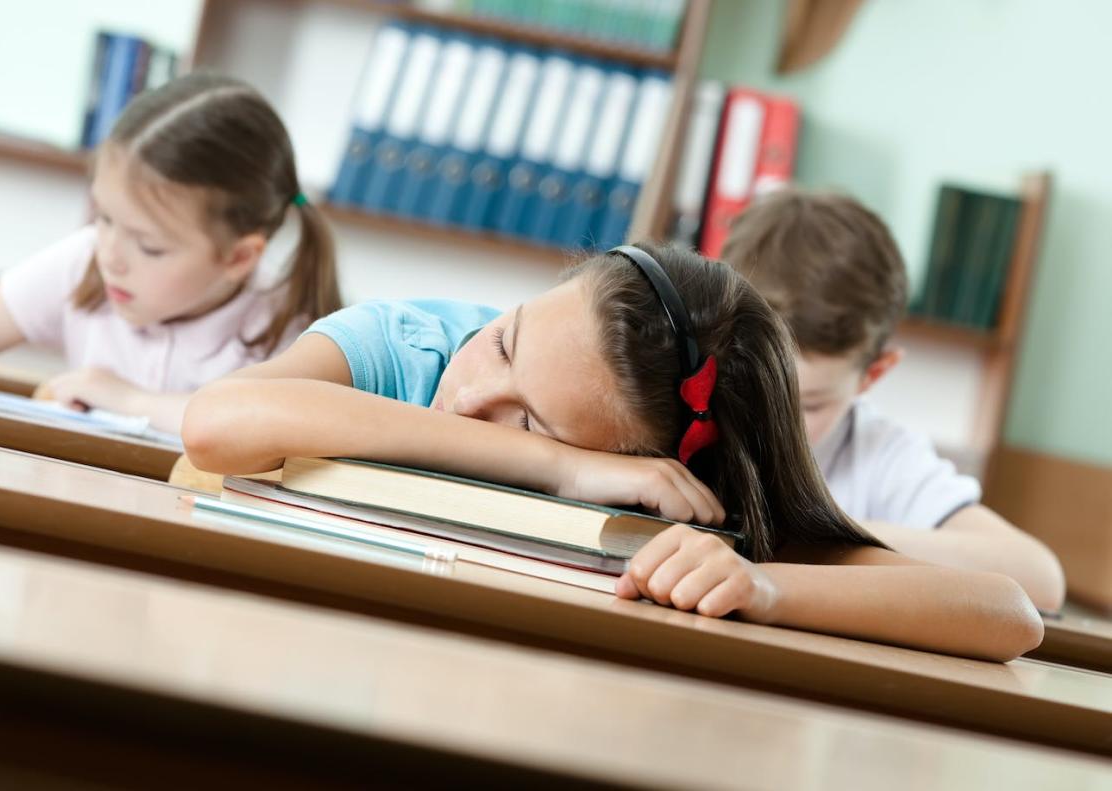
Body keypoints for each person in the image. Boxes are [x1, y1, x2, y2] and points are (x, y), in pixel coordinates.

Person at [183, 242, 1042, 661]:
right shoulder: (403, 348)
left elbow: (1007, 610)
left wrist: (769, 586)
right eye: (507, 341)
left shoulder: (655, 505)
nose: (474, 392)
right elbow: (219, 421)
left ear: (663, 470)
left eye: (534, 424)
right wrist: (556, 463)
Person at [0, 73, 341, 434]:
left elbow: (261, 426)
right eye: (104, 217)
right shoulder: (84, 260)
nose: (112, 255)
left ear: (239, 258)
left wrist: (128, 400)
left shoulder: (289, 328)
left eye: (150, 246)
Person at [721, 189, 1064, 610]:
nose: (773, 418)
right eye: (754, 387)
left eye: (809, 405)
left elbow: (1040, 577)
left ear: (873, 374)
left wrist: (825, 533)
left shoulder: (880, 456)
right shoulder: (681, 407)